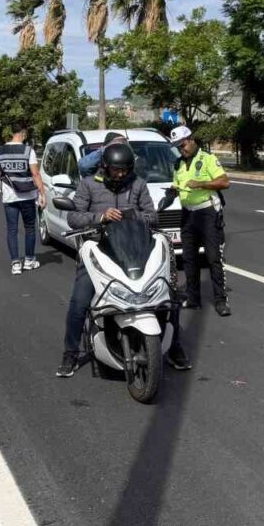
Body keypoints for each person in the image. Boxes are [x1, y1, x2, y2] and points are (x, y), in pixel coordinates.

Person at [57, 143, 191, 377]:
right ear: (105, 166)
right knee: (79, 302)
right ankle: (70, 353)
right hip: (99, 250)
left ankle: (175, 347)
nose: (120, 174)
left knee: (167, 295)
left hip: (136, 250)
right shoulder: (88, 184)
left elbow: (152, 217)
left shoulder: (138, 184)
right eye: (116, 170)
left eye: (125, 170)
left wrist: (132, 215)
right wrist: (100, 217)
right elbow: (74, 217)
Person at [169, 125, 232, 316]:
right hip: (188, 214)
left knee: (213, 258)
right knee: (189, 259)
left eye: (182, 145)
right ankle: (193, 298)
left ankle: (220, 300)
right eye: (177, 147)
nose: (181, 150)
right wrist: (172, 191)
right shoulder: (178, 164)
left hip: (207, 213)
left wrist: (201, 184)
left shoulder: (207, 159)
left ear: (191, 140)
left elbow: (224, 182)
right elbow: (178, 185)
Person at [0, 122, 47, 275]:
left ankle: (15, 263)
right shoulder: (28, 151)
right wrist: (43, 194)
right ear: (23, 133)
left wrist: (4, 176)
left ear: (12, 133)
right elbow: (35, 174)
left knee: (12, 229)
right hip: (27, 196)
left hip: (9, 196)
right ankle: (29, 260)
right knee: (29, 228)